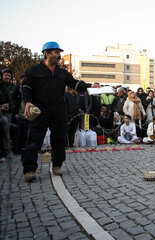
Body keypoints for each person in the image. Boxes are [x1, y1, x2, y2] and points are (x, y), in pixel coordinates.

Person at [21, 41, 99, 181]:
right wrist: (27, 101)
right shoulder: (33, 70)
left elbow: (74, 83)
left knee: (59, 139)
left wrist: (89, 85)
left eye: (59, 53)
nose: (59, 55)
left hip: (58, 111)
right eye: (56, 52)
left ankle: (57, 165)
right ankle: (29, 170)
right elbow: (26, 86)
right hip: (40, 110)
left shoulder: (63, 73)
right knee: (34, 140)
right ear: (47, 53)